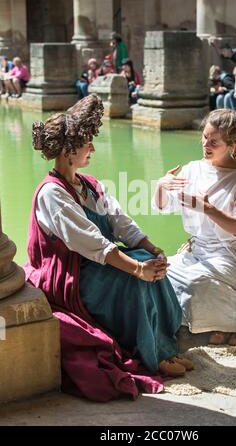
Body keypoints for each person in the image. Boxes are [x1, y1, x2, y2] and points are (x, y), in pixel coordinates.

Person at [24, 94, 192, 402]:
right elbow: (92, 243)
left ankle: (164, 346)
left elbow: (120, 224)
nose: (93, 149)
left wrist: (151, 251)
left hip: (97, 262)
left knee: (150, 264)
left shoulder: (89, 184)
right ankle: (153, 356)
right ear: (67, 150)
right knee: (132, 278)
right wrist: (137, 268)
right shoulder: (52, 194)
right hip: (72, 274)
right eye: (87, 143)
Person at [153, 109, 236, 344]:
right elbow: (165, 207)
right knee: (159, 271)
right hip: (196, 251)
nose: (206, 144)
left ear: (232, 144)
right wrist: (161, 186)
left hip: (229, 254)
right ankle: (215, 322)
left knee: (194, 284)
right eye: (204, 136)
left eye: (214, 141)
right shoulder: (193, 168)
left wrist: (208, 209)